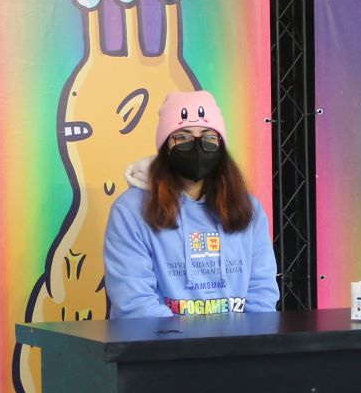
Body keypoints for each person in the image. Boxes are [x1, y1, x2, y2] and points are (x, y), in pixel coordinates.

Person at [103, 89, 280, 318]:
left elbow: (262, 293)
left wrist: (247, 339)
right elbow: (135, 304)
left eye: (208, 136)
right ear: (165, 146)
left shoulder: (248, 209)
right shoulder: (131, 210)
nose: (197, 145)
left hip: (238, 341)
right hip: (157, 341)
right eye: (183, 137)